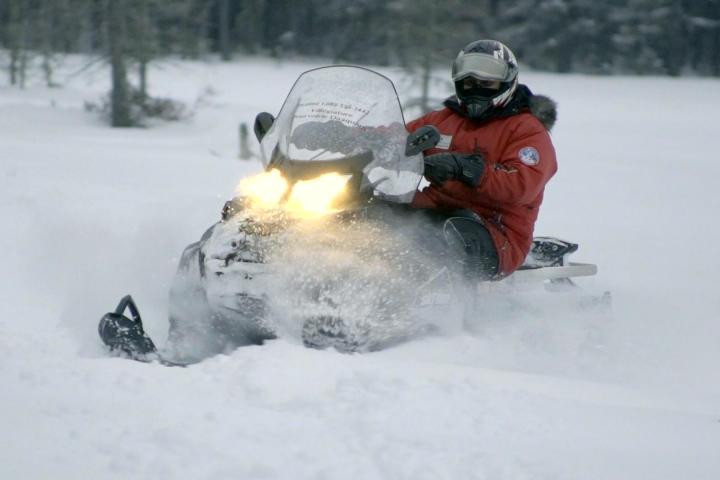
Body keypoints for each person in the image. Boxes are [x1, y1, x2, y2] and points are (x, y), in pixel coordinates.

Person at [406, 39, 558, 279]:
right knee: (372, 216)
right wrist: (351, 134)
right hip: (435, 209)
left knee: (438, 238)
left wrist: (465, 168)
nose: (477, 88)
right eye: (469, 82)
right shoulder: (445, 119)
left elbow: (522, 185)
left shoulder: (526, 129)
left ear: (508, 80)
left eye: (487, 82)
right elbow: (398, 136)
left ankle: (447, 313)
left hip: (496, 232)